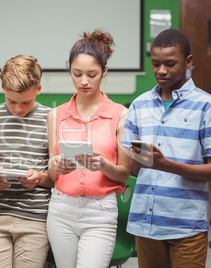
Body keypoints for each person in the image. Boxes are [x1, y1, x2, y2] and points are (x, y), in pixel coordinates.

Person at [122, 28, 211, 268]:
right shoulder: (139, 105)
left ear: (188, 62)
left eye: (170, 64)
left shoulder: (207, 106)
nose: (161, 71)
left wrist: (166, 165)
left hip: (186, 226)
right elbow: (134, 168)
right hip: (146, 223)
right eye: (155, 64)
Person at [46, 30, 130, 267]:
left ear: (104, 72)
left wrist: (102, 164)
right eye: (77, 74)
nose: (84, 81)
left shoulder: (120, 115)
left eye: (92, 74)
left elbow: (124, 173)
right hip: (61, 208)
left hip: (100, 211)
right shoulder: (56, 115)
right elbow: (53, 175)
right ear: (69, 70)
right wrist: (56, 167)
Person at [0, 54, 54, 268]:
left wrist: (39, 178)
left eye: (26, 102)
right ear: (2, 88)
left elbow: (58, 179)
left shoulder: (52, 119)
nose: (19, 109)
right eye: (11, 101)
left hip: (35, 218)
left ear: (38, 88)